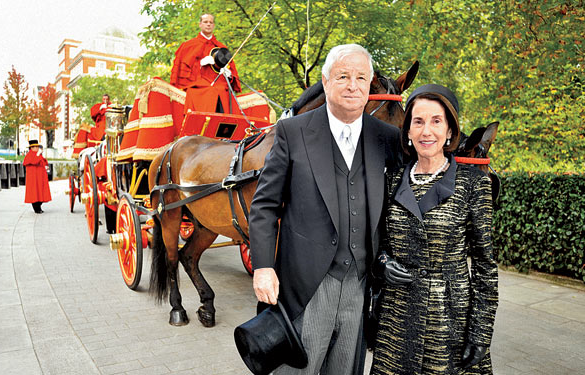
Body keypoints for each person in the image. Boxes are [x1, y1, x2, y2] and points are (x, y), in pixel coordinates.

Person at [249, 44, 402, 374]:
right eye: (343, 76)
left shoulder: (387, 137)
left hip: (360, 287)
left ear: (370, 83)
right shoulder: (293, 131)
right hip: (306, 287)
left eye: (362, 77)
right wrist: (262, 266)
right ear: (325, 80)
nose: (353, 85)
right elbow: (264, 205)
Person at [370, 84, 498, 375]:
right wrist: (383, 263)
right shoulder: (391, 181)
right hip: (397, 320)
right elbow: (379, 245)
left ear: (450, 130)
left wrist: (481, 334)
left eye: (436, 121)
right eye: (418, 121)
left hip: (450, 320)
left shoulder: (473, 185)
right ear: (408, 132)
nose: (426, 131)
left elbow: (485, 267)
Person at [169, 13, 241, 113]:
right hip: (198, 84)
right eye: (205, 22)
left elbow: (231, 75)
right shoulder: (188, 45)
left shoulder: (221, 47)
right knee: (210, 92)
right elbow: (183, 74)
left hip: (220, 84)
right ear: (200, 24)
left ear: (214, 25)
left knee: (222, 91)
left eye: (211, 22)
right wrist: (200, 64)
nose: (208, 24)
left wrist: (229, 74)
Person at [23, 140, 51, 214]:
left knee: (40, 192)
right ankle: (36, 209)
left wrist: (46, 166)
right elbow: (34, 161)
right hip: (33, 178)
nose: (36, 148)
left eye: (37, 146)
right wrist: (38, 155)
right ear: (31, 148)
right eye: (34, 147)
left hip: (40, 177)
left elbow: (43, 162)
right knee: (34, 193)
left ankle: (39, 207)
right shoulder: (29, 155)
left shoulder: (39, 155)